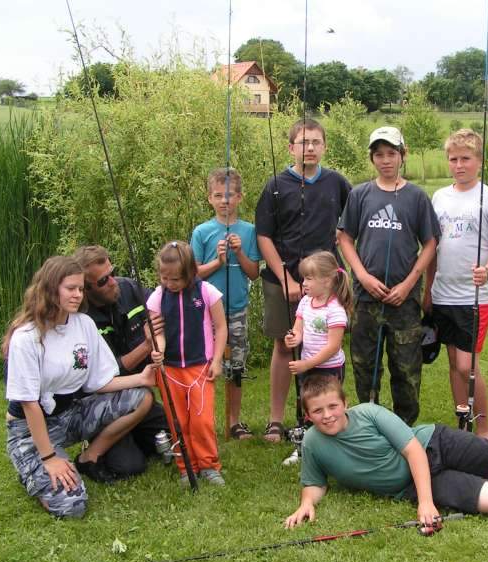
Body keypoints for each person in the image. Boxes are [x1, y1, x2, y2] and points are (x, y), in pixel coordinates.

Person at [283, 376, 488, 529]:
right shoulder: (312, 442)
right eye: (318, 411)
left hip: (433, 444)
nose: (327, 415)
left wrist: (426, 503)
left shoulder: (368, 413)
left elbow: (412, 451)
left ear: (344, 403)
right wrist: (306, 504)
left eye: (332, 406)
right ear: (307, 415)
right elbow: (315, 482)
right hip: (410, 485)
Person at [3, 256, 155, 518]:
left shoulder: (83, 324)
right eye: (70, 288)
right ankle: (33, 468)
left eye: (80, 289)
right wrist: (49, 458)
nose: (77, 295)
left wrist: (142, 378)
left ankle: (89, 459)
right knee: (72, 506)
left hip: (71, 414)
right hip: (30, 428)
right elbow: (29, 404)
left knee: (141, 398)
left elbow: (99, 381)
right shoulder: (26, 337)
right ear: (51, 289)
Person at [255, 118, 351, 442]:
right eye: (303, 142)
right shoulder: (275, 185)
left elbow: (350, 225)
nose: (309, 148)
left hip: (325, 283)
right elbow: (263, 236)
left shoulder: (337, 183)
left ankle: (323, 414)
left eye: (316, 142)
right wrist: (286, 280)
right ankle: (276, 420)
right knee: (285, 344)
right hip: (280, 280)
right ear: (290, 147)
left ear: (324, 146)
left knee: (324, 346)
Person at [338, 126, 441, 425]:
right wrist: (362, 276)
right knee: (365, 365)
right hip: (365, 298)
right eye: (379, 154)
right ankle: (370, 423)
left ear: (402, 155)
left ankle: (404, 428)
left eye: (391, 154)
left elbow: (431, 242)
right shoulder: (360, 195)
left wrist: (411, 283)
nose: (386, 160)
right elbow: (344, 238)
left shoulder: (417, 197)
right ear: (372, 158)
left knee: (406, 369)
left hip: (404, 302)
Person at [423, 128, 488, 439]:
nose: (459, 165)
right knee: (453, 363)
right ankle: (463, 423)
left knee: (467, 366)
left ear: (479, 161)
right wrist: (427, 290)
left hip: (473, 297)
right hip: (442, 294)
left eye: (465, 158)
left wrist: (487, 270)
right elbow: (432, 247)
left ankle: (485, 429)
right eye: (453, 159)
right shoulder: (439, 197)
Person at [74, 245, 171, 477]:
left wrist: (160, 331)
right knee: (129, 467)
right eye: (103, 280)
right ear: (85, 289)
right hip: (105, 401)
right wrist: (147, 346)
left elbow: (162, 308)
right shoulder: (82, 320)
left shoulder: (129, 287)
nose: (112, 282)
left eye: (112, 273)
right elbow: (110, 373)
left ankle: (136, 434)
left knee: (181, 435)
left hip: (137, 393)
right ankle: (97, 444)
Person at [146, 241, 228, 485]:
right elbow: (156, 331)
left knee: (201, 420)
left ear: (192, 272)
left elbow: (221, 327)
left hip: (200, 366)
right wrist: (157, 350)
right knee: (177, 420)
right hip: (169, 369)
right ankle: (186, 466)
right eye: (164, 278)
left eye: (176, 280)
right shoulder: (158, 296)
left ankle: (209, 465)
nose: (169, 284)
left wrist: (217, 359)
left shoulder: (207, 292)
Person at [191, 167, 261, 439]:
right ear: (209, 198)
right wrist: (217, 262)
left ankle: (234, 421)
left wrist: (239, 251)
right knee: (203, 367)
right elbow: (193, 274)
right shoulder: (202, 232)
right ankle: (202, 420)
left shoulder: (249, 231)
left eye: (230, 195)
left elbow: (253, 272)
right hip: (205, 312)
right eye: (218, 195)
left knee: (236, 368)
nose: (224, 201)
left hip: (236, 311)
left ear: (240, 198)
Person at [284, 251, 353, 382]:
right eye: (304, 278)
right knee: (310, 401)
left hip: (330, 368)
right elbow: (298, 330)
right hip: (308, 366)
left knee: (327, 401)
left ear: (326, 281)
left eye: (308, 279)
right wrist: (294, 338)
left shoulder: (335, 310)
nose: (303, 283)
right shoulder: (305, 302)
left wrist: (307, 364)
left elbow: (333, 347)